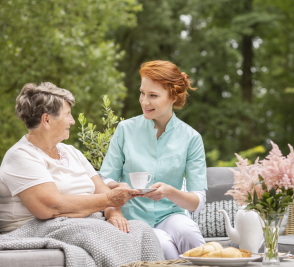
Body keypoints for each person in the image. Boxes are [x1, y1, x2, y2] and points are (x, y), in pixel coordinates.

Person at [0, 82, 164, 262]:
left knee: (142, 230)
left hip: (82, 222)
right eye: (68, 115)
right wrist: (109, 199)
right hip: (34, 227)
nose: (72, 120)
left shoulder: (71, 152)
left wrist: (114, 213)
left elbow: (104, 193)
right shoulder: (21, 156)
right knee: (96, 232)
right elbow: (50, 207)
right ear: (46, 120)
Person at [100, 60, 207, 259]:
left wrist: (170, 192)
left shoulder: (191, 138)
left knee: (189, 233)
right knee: (163, 245)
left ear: (173, 97)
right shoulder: (125, 130)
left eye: (153, 96)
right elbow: (104, 178)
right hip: (133, 217)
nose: (144, 101)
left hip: (171, 215)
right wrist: (118, 185)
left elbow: (197, 202)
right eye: (142, 92)